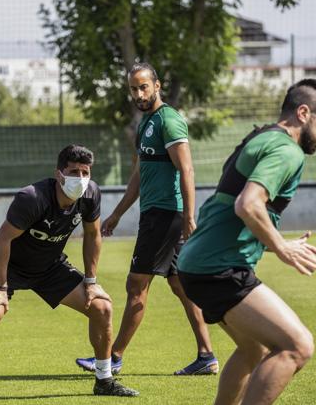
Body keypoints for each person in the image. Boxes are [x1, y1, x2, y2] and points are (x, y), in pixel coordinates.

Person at [177, 79, 316, 404]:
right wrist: (282, 248)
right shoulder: (287, 150)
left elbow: (233, 208)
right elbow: (247, 205)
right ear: (303, 112)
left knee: (253, 349)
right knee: (298, 346)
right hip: (218, 267)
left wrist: (275, 239)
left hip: (196, 263)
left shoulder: (263, 136)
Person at [0, 145, 139, 405]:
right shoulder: (32, 197)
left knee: (102, 307)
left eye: (86, 172)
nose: (81, 179)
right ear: (59, 174)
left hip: (49, 267)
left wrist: (91, 281)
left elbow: (93, 235)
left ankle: (104, 380)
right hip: (9, 267)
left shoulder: (91, 193)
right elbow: (2, 240)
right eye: (74, 172)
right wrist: (0, 287)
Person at [76, 62, 218, 376]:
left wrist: (188, 218)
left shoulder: (169, 120)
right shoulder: (146, 123)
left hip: (166, 215)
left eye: (144, 86)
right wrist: (116, 214)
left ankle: (112, 358)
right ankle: (207, 355)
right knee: (181, 286)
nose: (139, 93)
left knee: (136, 285)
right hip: (156, 213)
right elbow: (139, 176)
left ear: (157, 86)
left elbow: (187, 170)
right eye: (133, 88)